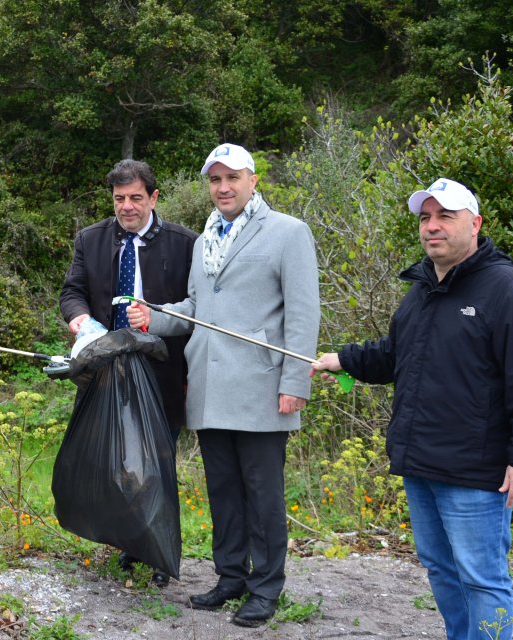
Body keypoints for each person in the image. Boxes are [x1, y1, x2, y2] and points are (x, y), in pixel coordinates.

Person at [311, 178, 513, 640]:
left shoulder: (510, 291)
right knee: (442, 572)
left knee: (482, 578)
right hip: (421, 463)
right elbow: (397, 355)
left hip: (476, 471)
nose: (432, 227)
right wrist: (342, 359)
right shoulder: (422, 291)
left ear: (475, 224)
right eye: (426, 218)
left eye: (445, 216)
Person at [126, 143, 320, 627]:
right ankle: (230, 577)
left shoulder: (288, 233)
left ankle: (266, 588)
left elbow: (302, 314)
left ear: (253, 180)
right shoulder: (204, 239)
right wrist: (157, 317)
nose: (223, 187)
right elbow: (197, 309)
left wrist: (295, 381)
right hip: (210, 389)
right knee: (224, 493)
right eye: (214, 180)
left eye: (232, 177)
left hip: (262, 389)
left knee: (263, 495)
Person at [59, 159, 197, 586]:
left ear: (154, 198)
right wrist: (80, 321)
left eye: (136, 197)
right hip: (106, 368)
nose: (127, 207)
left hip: (162, 371)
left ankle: (158, 554)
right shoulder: (92, 239)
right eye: (120, 199)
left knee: (156, 462)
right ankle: (129, 545)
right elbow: (72, 291)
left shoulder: (184, 243)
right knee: (116, 462)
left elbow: (195, 311)